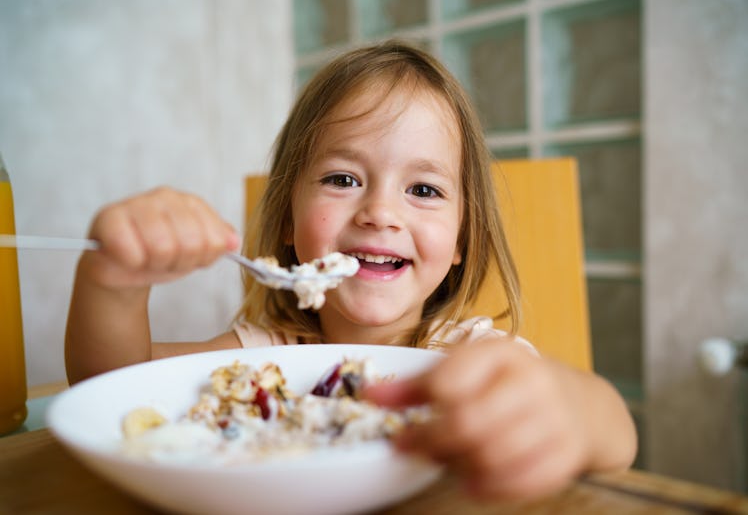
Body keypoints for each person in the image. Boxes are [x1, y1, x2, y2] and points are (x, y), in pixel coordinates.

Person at [65, 40, 636, 500]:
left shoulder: (471, 358)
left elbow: (616, 436)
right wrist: (114, 285)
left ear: (463, 238)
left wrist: (574, 410)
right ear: (288, 218)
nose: (380, 213)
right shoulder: (265, 360)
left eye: (423, 189)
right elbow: (113, 389)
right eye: (342, 179)